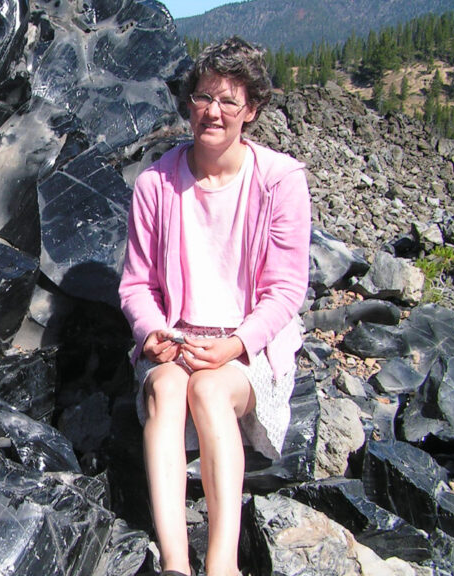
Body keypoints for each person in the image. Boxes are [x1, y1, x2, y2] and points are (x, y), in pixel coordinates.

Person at [118, 36, 310, 576]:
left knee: (207, 386)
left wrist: (234, 345)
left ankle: (221, 563)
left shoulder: (280, 181)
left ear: (251, 109)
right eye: (204, 97)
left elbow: (286, 290)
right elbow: (136, 285)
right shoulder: (156, 182)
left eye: (229, 100)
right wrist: (151, 332)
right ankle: (177, 564)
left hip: (246, 345)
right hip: (176, 339)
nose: (214, 111)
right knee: (166, 386)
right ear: (189, 103)